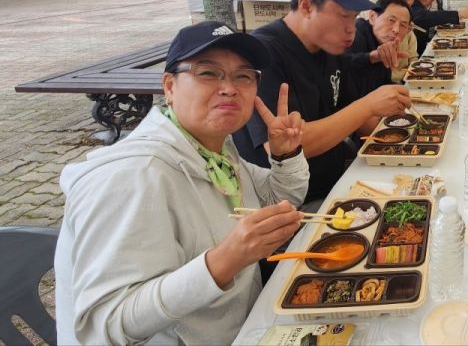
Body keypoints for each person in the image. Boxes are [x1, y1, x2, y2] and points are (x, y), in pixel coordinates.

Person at [55, 21, 309, 344]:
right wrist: (224, 261)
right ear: (170, 87)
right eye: (208, 73)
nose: (229, 88)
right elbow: (104, 326)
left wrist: (285, 156)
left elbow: (277, 201)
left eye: (243, 76)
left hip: (243, 328)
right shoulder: (132, 176)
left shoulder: (212, 148)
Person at [233, 0, 412, 202]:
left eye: (353, 18)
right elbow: (290, 145)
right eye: (343, 17)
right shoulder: (263, 53)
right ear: (306, 6)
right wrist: (369, 104)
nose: (352, 30)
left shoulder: (329, 47)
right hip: (295, 203)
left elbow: (360, 122)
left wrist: (409, 136)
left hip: (339, 178)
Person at [346, 0, 413, 95]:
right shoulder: (356, 32)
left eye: (403, 25)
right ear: (373, 17)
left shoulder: (384, 42)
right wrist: (373, 57)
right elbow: (343, 65)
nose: (396, 29)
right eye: (391, 20)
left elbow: (382, 84)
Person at [366, 0, 420, 82]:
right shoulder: (370, 13)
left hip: (405, 75)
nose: (410, 2)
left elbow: (412, 52)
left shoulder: (402, 9)